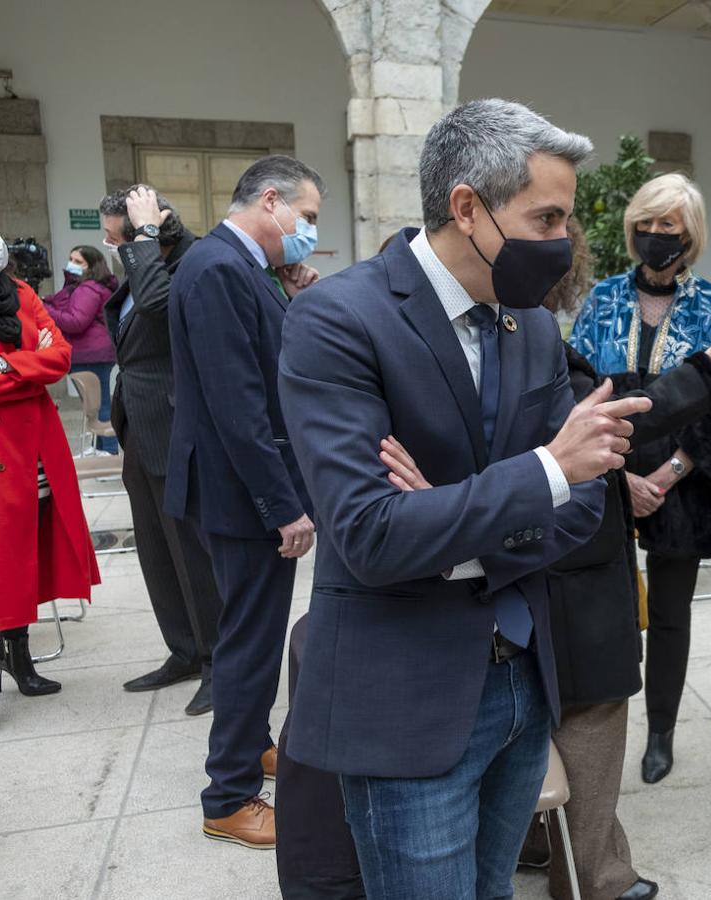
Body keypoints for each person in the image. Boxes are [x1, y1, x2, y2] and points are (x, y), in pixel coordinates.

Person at [277, 98, 644, 898]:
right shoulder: (338, 317)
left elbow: (583, 507)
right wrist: (541, 471)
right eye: (544, 216)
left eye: (565, 218)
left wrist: (447, 516)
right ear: (467, 207)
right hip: (405, 692)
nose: (561, 241)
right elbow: (372, 535)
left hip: (522, 677)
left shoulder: (533, 328)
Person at [378, 219, 711, 900]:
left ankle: (549, 852)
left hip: (548, 555)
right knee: (586, 716)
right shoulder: (514, 338)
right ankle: (597, 878)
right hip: (559, 563)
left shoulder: (517, 337)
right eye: (546, 222)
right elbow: (604, 421)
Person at [166, 155, 324, 849]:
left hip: (234, 488)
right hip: (240, 494)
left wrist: (288, 290)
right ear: (270, 201)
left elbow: (262, 359)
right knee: (250, 641)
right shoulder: (219, 269)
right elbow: (240, 408)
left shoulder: (238, 268)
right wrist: (282, 506)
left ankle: (253, 740)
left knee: (248, 630)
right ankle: (228, 795)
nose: (309, 231)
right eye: (307, 217)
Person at [569, 172, 711, 785]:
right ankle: (597, 726)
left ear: (688, 233)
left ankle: (661, 731)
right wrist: (621, 480)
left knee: (670, 613)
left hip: (683, 485)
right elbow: (581, 397)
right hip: (608, 475)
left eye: (668, 225)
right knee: (605, 607)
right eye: (646, 223)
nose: (655, 234)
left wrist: (662, 478)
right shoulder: (604, 298)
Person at [99, 185, 224, 717]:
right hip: (139, 426)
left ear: (142, 234)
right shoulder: (140, 265)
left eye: (113, 236)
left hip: (175, 428)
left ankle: (219, 662)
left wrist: (145, 235)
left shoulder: (188, 263)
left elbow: (155, 309)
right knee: (155, 551)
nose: (108, 245)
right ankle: (184, 651)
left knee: (190, 553)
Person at [0, 238, 100, 699]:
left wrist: (8, 366)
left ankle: (20, 659)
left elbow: (59, 357)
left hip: (35, 443)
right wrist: (31, 365)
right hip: (6, 444)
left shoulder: (20, 292)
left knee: (23, 550)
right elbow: (44, 361)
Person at [41, 244, 119, 453]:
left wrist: (44, 309)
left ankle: (109, 451)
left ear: (91, 266)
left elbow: (75, 321)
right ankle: (100, 447)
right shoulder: (84, 287)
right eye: (71, 259)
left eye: (78, 262)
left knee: (99, 405)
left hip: (91, 353)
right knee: (93, 405)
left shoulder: (89, 289)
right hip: (91, 353)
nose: (72, 264)